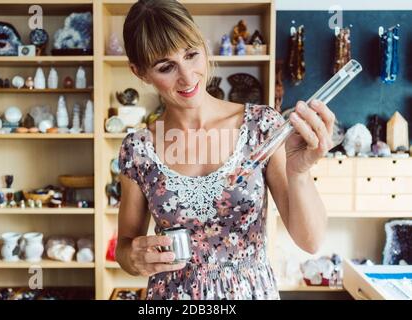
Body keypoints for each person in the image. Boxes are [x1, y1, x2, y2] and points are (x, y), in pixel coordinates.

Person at [116, 0, 334, 300]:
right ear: (139, 72)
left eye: (191, 55)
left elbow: (311, 242)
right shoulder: (138, 148)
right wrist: (133, 257)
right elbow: (125, 246)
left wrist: (299, 173)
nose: (187, 76)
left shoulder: (261, 126)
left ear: (204, 47)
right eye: (166, 67)